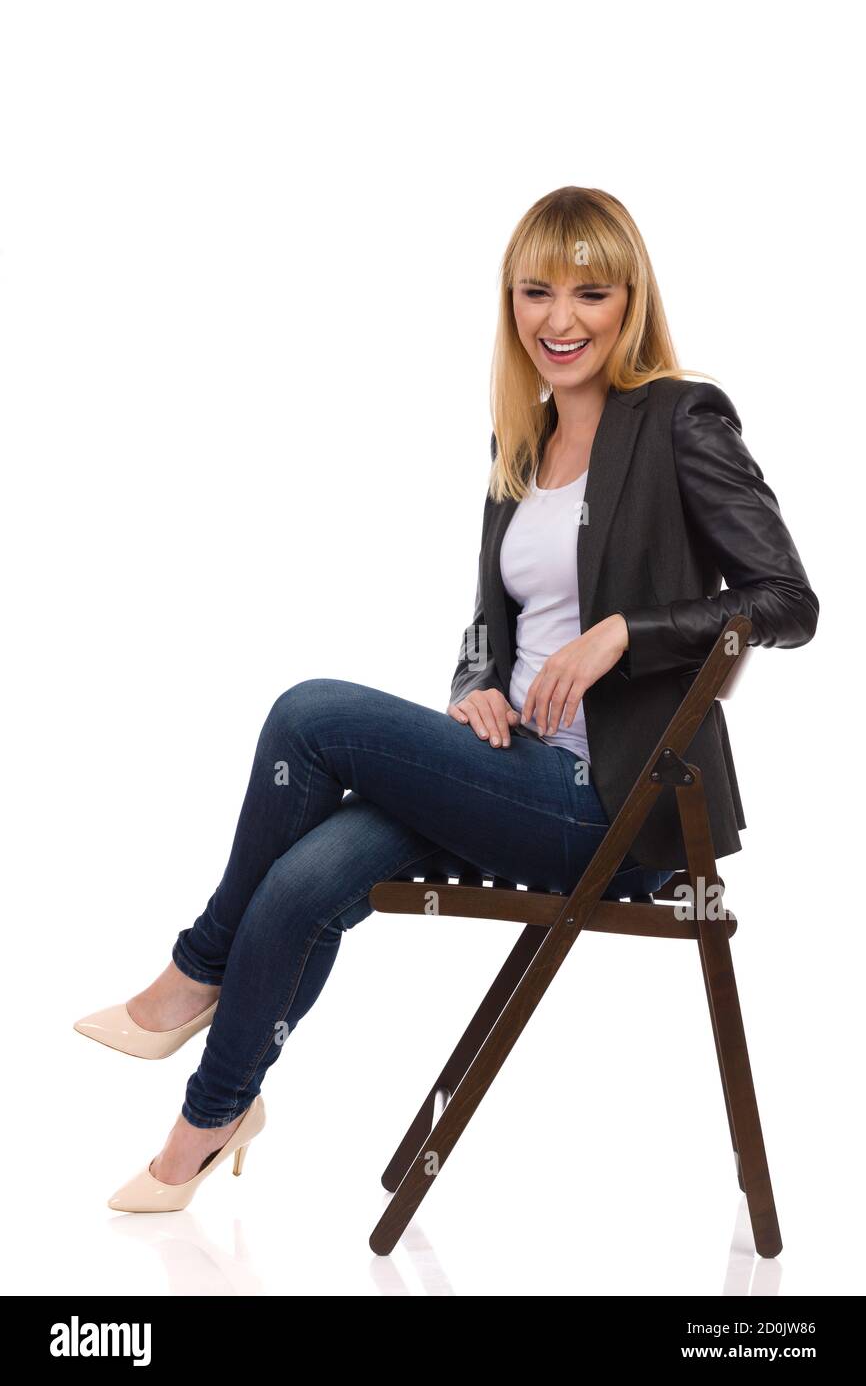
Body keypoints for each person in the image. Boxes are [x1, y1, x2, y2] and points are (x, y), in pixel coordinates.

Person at [74, 185, 819, 1212]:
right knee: (301, 884)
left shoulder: (679, 420)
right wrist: (475, 690)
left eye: (588, 293)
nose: (559, 320)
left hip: (603, 805)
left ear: (629, 301)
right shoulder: (519, 443)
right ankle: (210, 1122)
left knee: (309, 711)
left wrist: (624, 634)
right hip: (505, 767)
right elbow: (490, 629)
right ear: (508, 302)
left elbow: (786, 601)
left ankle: (194, 972)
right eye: (535, 291)